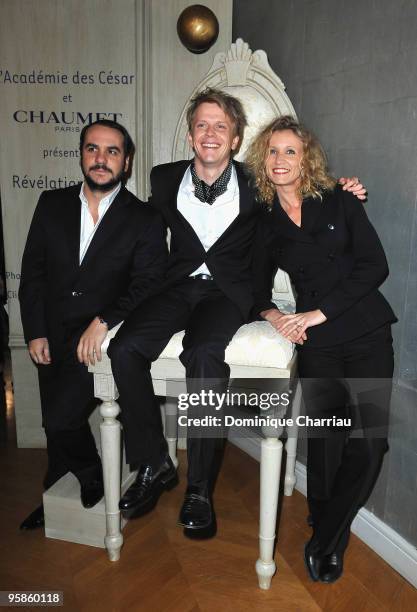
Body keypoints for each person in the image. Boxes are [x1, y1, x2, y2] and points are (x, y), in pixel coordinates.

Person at [109, 88, 366, 539]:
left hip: (228, 294)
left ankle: (200, 488)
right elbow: (141, 227)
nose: (210, 133)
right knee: (126, 348)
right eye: (202, 125)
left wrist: (343, 189)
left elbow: (300, 188)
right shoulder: (163, 178)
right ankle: (153, 462)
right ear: (191, 135)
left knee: (205, 353)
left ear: (234, 138)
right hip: (176, 287)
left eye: (220, 126)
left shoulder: (256, 181)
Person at [247, 115, 397, 582]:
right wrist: (276, 317)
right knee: (328, 441)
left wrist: (317, 313)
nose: (280, 159)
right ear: (262, 160)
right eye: (272, 151)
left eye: (290, 151)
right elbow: (252, 288)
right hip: (320, 346)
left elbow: (375, 266)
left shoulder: (339, 199)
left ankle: (327, 532)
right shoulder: (263, 222)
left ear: (305, 158)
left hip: (368, 331)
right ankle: (327, 532)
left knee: (371, 443)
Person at [18, 119, 167, 530]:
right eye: (92, 149)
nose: (101, 159)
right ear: (82, 154)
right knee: (55, 430)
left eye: (112, 151)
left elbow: (149, 283)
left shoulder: (145, 219)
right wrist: (34, 330)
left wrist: (104, 321)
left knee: (61, 419)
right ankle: (54, 496)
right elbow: (33, 273)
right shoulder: (51, 203)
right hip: (49, 334)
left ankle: (92, 477)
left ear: (127, 160)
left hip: (100, 341)